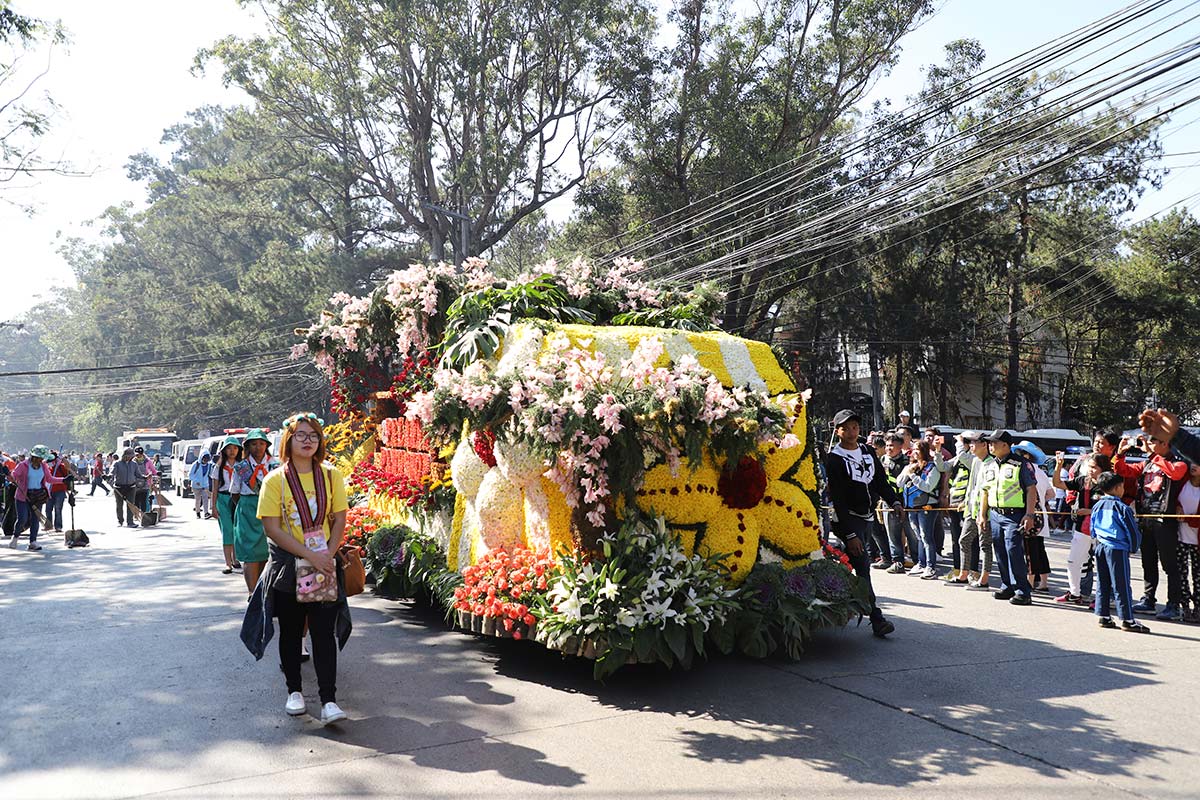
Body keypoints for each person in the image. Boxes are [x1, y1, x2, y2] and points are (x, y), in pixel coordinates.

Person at [242, 413, 351, 724]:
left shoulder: (332, 476)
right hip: (289, 567)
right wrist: (310, 556)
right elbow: (272, 529)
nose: (308, 440)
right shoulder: (274, 480)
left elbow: (340, 518)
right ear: (288, 442)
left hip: (323, 564)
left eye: (313, 435)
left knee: (322, 633)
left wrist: (327, 555)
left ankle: (329, 700)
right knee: (291, 632)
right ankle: (294, 692)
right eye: (301, 435)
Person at [823, 409, 900, 637]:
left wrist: (894, 500)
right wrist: (849, 535)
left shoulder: (867, 451)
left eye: (855, 426)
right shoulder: (835, 458)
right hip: (849, 520)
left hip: (868, 516)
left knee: (858, 566)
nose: (851, 431)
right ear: (838, 431)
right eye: (846, 427)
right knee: (863, 568)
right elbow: (838, 499)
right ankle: (876, 619)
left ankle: (840, 596)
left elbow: (879, 480)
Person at [1115, 433, 1188, 621]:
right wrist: (1120, 453)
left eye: (1152, 441)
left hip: (1166, 519)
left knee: (1170, 564)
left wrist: (1152, 454)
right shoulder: (1148, 463)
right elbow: (1123, 470)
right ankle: (1148, 599)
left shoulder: (1178, 462)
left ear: (1165, 443)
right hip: (1146, 517)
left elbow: (1175, 473)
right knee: (1147, 562)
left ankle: (1173, 604)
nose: (1148, 444)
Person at [978, 429, 1039, 606]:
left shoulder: (1021, 464)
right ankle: (1007, 585)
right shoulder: (989, 464)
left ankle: (1023, 590)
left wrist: (1029, 514)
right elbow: (985, 491)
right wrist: (983, 515)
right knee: (1000, 551)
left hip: (1015, 515)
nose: (990, 446)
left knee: (1014, 551)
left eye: (993, 443)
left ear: (1005, 445)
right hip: (996, 514)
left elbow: (1031, 490)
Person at [1090, 471, 1149, 633]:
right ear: (1117, 488)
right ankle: (1127, 619)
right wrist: (1133, 547)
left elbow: (1092, 527)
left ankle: (1103, 615)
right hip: (1117, 548)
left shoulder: (1097, 505)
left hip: (1100, 546)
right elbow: (1131, 530)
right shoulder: (1122, 508)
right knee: (1121, 584)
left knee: (1103, 582)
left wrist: (1096, 541)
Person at [1053, 453, 1111, 604]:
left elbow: (1114, 505)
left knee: (1102, 564)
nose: (1090, 470)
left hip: (1102, 529)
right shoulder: (1082, 480)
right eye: (1089, 467)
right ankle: (1074, 592)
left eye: (1094, 467)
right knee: (1074, 561)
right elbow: (1058, 484)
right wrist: (1059, 465)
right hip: (1081, 527)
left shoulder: (1109, 483)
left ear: (1103, 468)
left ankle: (1103, 598)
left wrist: (1089, 511)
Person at [232, 429, 280, 593]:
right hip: (248, 511)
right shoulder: (241, 468)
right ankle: (252, 593)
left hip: (271, 509)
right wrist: (246, 507)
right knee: (250, 554)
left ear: (266, 445)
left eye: (261, 443)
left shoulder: (276, 465)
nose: (258, 447)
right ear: (247, 447)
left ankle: (265, 591)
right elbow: (235, 492)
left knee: (268, 552)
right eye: (254, 444)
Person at [897, 440, 945, 579]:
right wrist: (907, 472)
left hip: (927, 507)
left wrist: (913, 476)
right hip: (912, 507)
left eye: (918, 449)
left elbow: (928, 486)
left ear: (924, 451)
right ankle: (921, 563)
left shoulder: (932, 468)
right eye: (913, 449)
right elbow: (900, 483)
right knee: (919, 536)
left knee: (926, 536)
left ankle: (931, 566)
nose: (915, 452)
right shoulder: (910, 466)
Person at [1012, 441, 1055, 592]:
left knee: (1029, 550)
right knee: (1040, 550)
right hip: (1041, 515)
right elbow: (1052, 493)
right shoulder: (1041, 471)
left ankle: (1029, 582)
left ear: (1026, 455)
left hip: (1029, 515)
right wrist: (1042, 500)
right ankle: (1043, 582)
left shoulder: (1025, 470)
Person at [8, 445, 66, 551]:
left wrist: (64, 480)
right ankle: (15, 537)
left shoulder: (43, 466)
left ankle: (33, 542)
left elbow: (49, 479)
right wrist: (11, 477)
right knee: (22, 519)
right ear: (34, 457)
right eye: (40, 458)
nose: (42, 460)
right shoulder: (23, 465)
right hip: (23, 496)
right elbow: (14, 476)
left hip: (38, 496)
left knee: (35, 519)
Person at [942, 432, 980, 585]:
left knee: (972, 540)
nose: (968, 445)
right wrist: (938, 451)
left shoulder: (974, 459)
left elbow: (964, 457)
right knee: (956, 539)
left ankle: (973, 570)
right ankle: (958, 568)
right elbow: (942, 466)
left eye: (968, 442)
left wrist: (959, 443)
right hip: (954, 504)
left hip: (968, 506)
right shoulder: (959, 458)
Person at [959, 432, 995, 590]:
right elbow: (972, 485)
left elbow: (987, 490)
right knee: (964, 540)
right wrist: (965, 502)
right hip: (971, 509)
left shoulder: (991, 463)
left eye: (974, 443)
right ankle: (963, 575)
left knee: (985, 545)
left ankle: (984, 579)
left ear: (984, 445)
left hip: (985, 512)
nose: (971, 446)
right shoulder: (975, 461)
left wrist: (983, 514)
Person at [880, 433, 918, 573]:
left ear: (900, 446)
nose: (889, 448)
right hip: (888, 503)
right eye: (887, 445)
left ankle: (917, 561)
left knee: (911, 533)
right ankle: (897, 562)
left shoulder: (907, 461)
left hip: (906, 503)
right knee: (893, 533)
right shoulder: (882, 460)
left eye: (892, 446)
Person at [210, 436, 244, 575]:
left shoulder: (242, 466)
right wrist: (213, 506)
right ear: (224, 450)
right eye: (229, 448)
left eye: (235, 448)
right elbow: (215, 488)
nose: (232, 451)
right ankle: (227, 563)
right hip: (223, 499)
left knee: (237, 530)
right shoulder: (219, 467)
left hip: (237, 499)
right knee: (227, 530)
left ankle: (236, 560)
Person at [1175, 461, 1200, 624]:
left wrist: (1188, 518)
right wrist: (1177, 508)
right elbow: (1174, 500)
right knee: (1181, 573)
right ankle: (1184, 606)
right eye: (1193, 462)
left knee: (1198, 575)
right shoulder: (1182, 483)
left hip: (1197, 539)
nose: (1194, 466)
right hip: (1180, 537)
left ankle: (1198, 607)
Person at [111, 448, 145, 528]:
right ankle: (120, 521)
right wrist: (108, 476)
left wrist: (145, 477)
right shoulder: (117, 463)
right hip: (119, 487)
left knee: (131, 505)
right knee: (119, 505)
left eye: (131, 456)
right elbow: (112, 472)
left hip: (131, 487)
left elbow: (138, 474)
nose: (130, 457)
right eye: (128, 456)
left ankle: (130, 522)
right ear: (124, 455)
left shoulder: (134, 464)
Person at [43, 452, 73, 533]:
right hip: (49, 491)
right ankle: (48, 525)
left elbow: (68, 467)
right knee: (48, 509)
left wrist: (62, 459)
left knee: (58, 509)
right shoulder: (46, 467)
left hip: (60, 491)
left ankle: (58, 526)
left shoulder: (61, 467)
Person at [190, 452, 213, 520]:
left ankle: (206, 513)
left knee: (205, 499)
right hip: (196, 485)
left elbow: (211, 474)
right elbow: (190, 475)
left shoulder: (209, 465)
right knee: (198, 499)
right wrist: (196, 481)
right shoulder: (196, 464)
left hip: (205, 485)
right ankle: (198, 512)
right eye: (204, 459)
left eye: (207, 460)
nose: (205, 461)